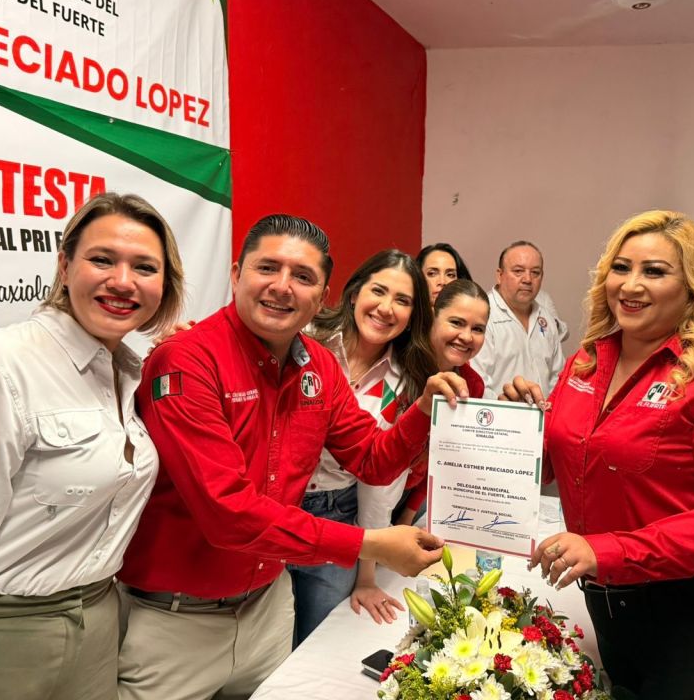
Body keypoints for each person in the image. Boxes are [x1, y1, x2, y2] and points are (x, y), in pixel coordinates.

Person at [117, 215, 462, 700]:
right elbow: (228, 515)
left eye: (302, 276)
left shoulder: (318, 365)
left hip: (267, 609)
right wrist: (371, 544)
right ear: (236, 274)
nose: (282, 287)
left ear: (322, 297)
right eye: (267, 268)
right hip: (178, 622)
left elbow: (372, 459)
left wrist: (423, 410)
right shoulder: (187, 359)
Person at [0, 193, 185, 699]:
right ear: (65, 266)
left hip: (99, 619)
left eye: (145, 267)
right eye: (102, 259)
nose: (123, 281)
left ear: (164, 286)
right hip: (5, 635)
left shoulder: (127, 371)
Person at [506, 209, 694, 700]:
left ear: (691, 287)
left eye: (654, 271)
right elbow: (554, 464)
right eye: (620, 267)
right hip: (609, 612)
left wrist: (605, 551)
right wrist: (513, 428)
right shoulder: (585, 362)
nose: (630, 285)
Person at [290, 250, 438, 645]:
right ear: (355, 293)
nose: (386, 308)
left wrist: (367, 575)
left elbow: (381, 482)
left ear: (412, 315)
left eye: (403, 300)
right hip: (279, 505)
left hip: (340, 513)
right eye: (379, 291)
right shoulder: (304, 339)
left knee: (318, 642)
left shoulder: (408, 382)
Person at [394, 279, 490, 526]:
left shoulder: (471, 385)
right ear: (433, 316)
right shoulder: (397, 364)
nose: (466, 336)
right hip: (365, 493)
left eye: (478, 329)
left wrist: (408, 513)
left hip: (415, 495)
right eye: (456, 322)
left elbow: (441, 457)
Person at [472, 240, 566, 398]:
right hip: (497, 412)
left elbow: (557, 379)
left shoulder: (546, 319)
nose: (527, 279)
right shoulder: (482, 315)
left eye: (535, 272)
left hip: (542, 412)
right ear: (500, 275)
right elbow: (478, 382)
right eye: (518, 271)